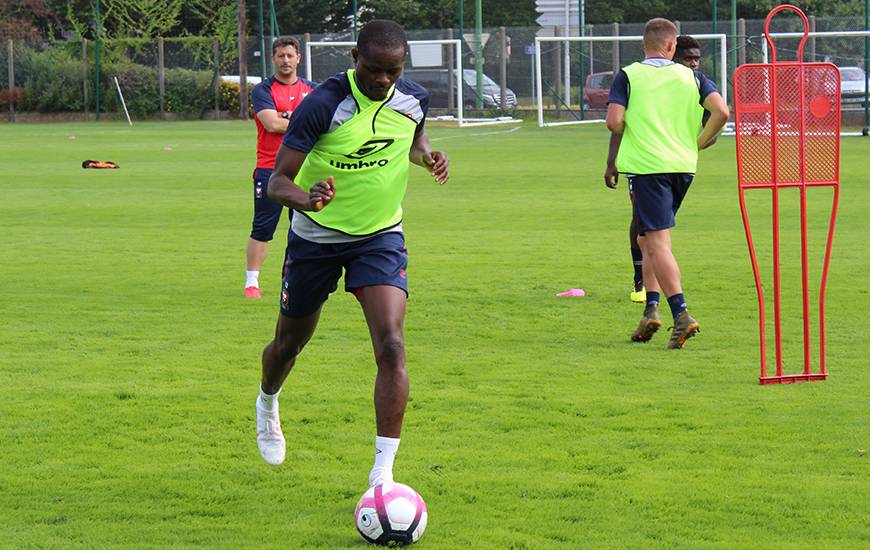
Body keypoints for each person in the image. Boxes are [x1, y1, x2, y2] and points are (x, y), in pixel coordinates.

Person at [253, 19, 449, 489]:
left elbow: (413, 138)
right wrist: (308, 198)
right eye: (375, 70)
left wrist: (428, 156)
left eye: (393, 71)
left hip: (380, 236)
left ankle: (383, 475)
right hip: (316, 239)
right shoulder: (323, 105)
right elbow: (278, 181)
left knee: (393, 345)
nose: (384, 80)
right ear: (354, 59)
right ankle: (267, 402)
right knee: (288, 346)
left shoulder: (414, 98)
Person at [605, 19, 728, 348]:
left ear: (643, 44)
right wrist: (698, 142)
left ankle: (681, 313)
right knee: (648, 239)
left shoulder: (629, 75)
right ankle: (651, 309)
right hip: (683, 168)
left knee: (657, 243)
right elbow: (721, 112)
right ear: (672, 47)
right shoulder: (693, 76)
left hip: (649, 169)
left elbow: (614, 121)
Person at [244, 36, 315, 299]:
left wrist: (286, 115)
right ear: (273, 58)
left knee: (303, 229)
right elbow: (272, 124)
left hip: (304, 169)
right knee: (263, 227)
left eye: (290, 55)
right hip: (269, 168)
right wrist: (301, 119)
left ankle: (295, 279)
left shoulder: (312, 89)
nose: (286, 60)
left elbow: (323, 121)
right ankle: (252, 283)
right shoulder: (263, 90)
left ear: (298, 58)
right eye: (281, 56)